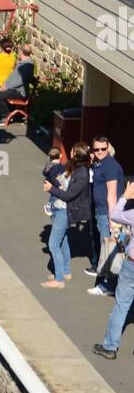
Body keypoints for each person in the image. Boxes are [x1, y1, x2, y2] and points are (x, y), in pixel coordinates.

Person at [93, 182, 134, 361]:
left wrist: (125, 195)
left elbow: (115, 215)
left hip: (132, 265)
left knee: (121, 305)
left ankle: (110, 347)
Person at [42, 142, 91, 289]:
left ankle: (59, 280)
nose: (70, 151)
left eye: (72, 150)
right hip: (59, 207)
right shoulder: (72, 166)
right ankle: (65, 271)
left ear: (77, 154)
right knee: (63, 240)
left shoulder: (82, 173)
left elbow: (69, 195)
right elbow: (63, 183)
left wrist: (51, 189)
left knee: (53, 244)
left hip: (65, 210)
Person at [86, 137, 124, 297]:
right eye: (97, 149)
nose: (100, 152)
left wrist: (112, 218)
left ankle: (109, 285)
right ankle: (109, 282)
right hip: (100, 211)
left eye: (103, 149)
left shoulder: (109, 166)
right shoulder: (101, 164)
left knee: (108, 250)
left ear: (108, 148)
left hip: (106, 213)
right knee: (107, 248)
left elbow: (112, 194)